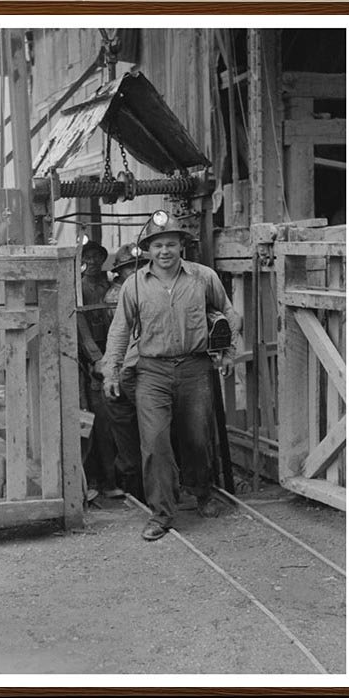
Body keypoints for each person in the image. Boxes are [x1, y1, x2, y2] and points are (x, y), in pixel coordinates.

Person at [103, 214, 241, 541]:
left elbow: (230, 314)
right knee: (154, 442)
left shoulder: (202, 277)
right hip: (151, 370)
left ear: (182, 245)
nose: (165, 251)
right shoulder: (135, 284)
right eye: (158, 245)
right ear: (148, 249)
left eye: (171, 244)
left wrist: (229, 352)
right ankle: (161, 513)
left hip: (195, 368)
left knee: (196, 436)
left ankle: (202, 492)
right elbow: (120, 329)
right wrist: (112, 369)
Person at [77, 238, 122, 498]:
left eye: (96, 256)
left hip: (120, 353)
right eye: (87, 256)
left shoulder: (112, 285)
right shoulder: (79, 287)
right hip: (93, 362)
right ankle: (100, 479)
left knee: (123, 422)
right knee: (98, 423)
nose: (92, 261)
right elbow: (82, 328)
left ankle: (124, 478)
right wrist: (96, 359)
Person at [102, 243, 145, 501]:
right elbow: (120, 335)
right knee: (128, 433)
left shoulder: (142, 289)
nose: (137, 271)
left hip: (141, 368)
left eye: (140, 266)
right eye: (132, 267)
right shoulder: (116, 296)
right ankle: (131, 486)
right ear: (121, 271)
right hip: (124, 368)